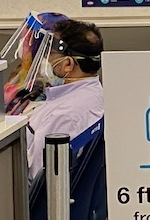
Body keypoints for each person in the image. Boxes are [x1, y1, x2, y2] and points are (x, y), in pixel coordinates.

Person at [17, 18, 105, 183]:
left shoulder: (64, 116)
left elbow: (35, 178)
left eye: (49, 54)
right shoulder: (93, 95)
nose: (45, 61)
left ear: (67, 65)